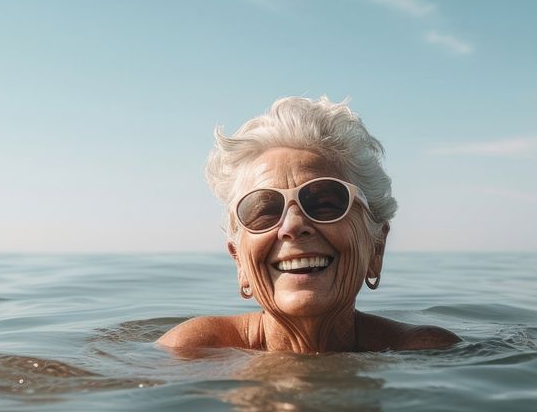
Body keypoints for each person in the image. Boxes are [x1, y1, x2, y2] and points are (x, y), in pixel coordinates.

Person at [158, 96, 461, 353]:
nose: (292, 225)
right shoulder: (193, 352)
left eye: (326, 203)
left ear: (376, 249)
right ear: (239, 263)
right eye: (264, 210)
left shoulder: (425, 352)